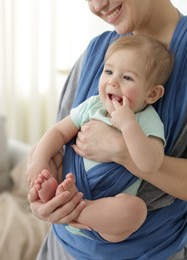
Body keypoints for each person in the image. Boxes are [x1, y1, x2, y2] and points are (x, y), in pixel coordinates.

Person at [26, 0, 187, 259]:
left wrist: (121, 151)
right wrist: (42, 200)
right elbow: (57, 147)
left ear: (154, 93)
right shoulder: (95, 53)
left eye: (128, 78)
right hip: (62, 250)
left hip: (151, 252)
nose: (97, 5)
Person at [29, 34, 173, 243]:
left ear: (152, 94)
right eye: (108, 71)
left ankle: (71, 209)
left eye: (127, 78)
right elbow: (59, 132)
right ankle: (56, 195)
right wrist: (39, 162)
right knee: (38, 149)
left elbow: (150, 164)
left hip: (104, 212)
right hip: (68, 178)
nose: (113, 81)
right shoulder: (93, 105)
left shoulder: (147, 121)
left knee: (134, 210)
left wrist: (128, 124)